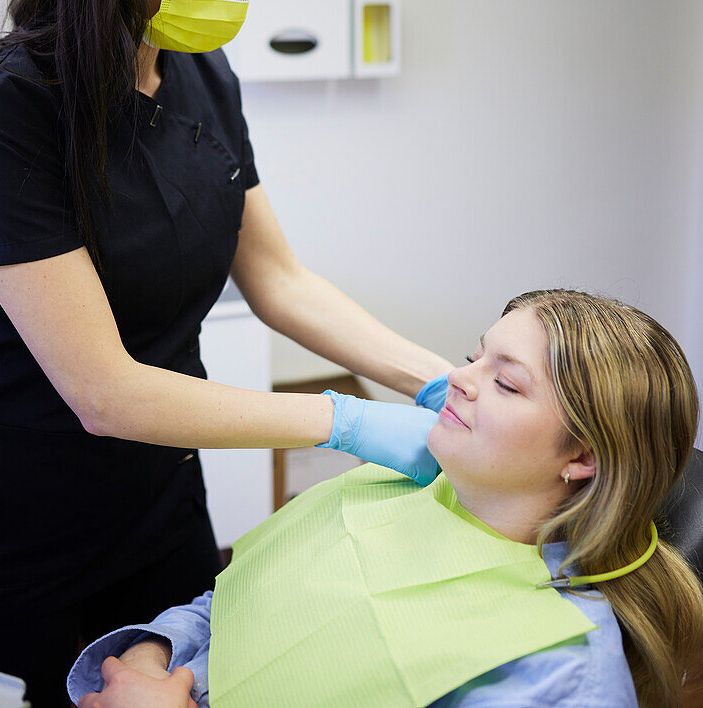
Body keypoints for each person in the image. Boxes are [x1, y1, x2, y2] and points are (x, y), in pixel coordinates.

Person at [0, 0, 454, 707]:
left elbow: (279, 281)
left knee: (193, 667)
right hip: (34, 504)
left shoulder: (199, 74)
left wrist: (432, 378)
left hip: (162, 494)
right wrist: (346, 423)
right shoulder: (8, 109)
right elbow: (103, 393)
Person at [67, 289, 703, 708]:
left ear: (582, 457)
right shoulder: (386, 490)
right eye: (472, 356)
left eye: (506, 383)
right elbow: (232, 603)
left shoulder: (560, 673)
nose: (457, 378)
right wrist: (152, 657)